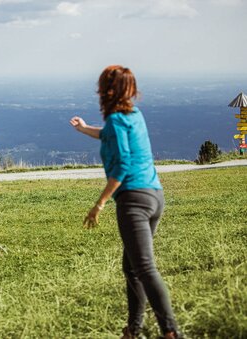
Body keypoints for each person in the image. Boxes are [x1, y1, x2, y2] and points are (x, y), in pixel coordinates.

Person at [70, 65, 181, 339]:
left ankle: (171, 332)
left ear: (107, 90)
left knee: (143, 267)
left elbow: (121, 166)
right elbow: (110, 135)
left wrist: (99, 204)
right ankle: (133, 330)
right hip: (155, 195)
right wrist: (85, 130)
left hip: (134, 200)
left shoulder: (118, 120)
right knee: (131, 267)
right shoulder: (133, 115)